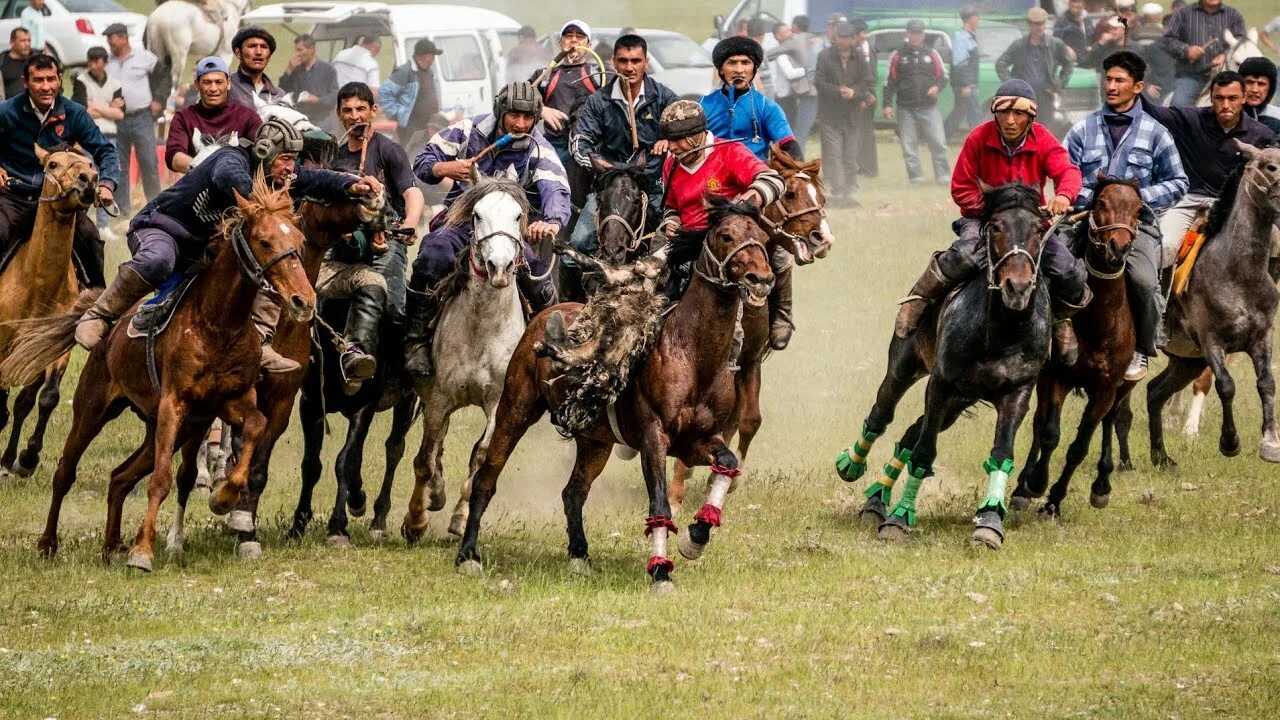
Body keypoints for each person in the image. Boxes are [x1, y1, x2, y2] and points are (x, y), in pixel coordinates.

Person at [73, 118, 384, 373]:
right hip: (161, 228)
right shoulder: (231, 159)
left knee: (266, 263)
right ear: (265, 151)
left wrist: (350, 184)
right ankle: (100, 313)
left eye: (293, 161)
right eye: (286, 159)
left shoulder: (282, 173)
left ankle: (261, 341)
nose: (292, 168)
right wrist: (260, 205)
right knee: (159, 260)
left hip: (201, 249)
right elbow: (226, 178)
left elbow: (315, 179)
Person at [895, 80, 1089, 365]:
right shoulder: (978, 138)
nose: (1010, 121)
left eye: (1019, 114)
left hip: (1029, 223)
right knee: (962, 255)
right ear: (994, 113)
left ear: (1031, 117)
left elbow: (1068, 172)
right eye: (1003, 113)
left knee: (1069, 271)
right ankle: (918, 297)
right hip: (985, 219)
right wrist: (988, 210)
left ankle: (1060, 318)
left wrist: (1063, 195)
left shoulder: (1044, 140)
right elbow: (961, 187)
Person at [404, 82, 570, 378]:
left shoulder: (538, 148)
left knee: (541, 282)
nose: (520, 124)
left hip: (508, 230)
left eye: (528, 118)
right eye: (514, 116)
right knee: (431, 255)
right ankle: (415, 342)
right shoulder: (468, 130)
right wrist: (446, 168)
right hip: (460, 220)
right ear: (501, 111)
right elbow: (422, 161)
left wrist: (552, 220)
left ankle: (553, 360)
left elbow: (555, 188)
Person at [1064, 51, 1188, 380]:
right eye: (1108, 79)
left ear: (1138, 87)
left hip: (1136, 226)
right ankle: (1047, 341)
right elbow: (1066, 175)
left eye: (1120, 80)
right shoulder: (1081, 130)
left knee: (1146, 283)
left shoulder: (1156, 133)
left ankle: (1143, 348)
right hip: (1087, 223)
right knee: (1053, 272)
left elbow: (1179, 181)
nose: (1111, 86)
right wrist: (1091, 199)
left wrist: (1136, 198)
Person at [322, 82, 425, 392]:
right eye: (348, 111)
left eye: (361, 109)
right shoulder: (332, 156)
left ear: (373, 111)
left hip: (387, 238)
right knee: (314, 306)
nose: (355, 116)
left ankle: (398, 371)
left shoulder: (389, 150)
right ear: (339, 115)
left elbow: (412, 191)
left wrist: (409, 222)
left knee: (393, 307)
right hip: (341, 242)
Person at [0, 54, 120, 292]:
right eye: (38, 80)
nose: (46, 87)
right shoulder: (6, 112)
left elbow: (106, 150)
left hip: (60, 202)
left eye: (51, 79)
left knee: (90, 238)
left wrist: (106, 184)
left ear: (59, 80)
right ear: (25, 82)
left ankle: (97, 308)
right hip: (15, 197)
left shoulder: (74, 113)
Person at [1142, 71, 1276, 269]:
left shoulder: (1262, 134)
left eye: (1233, 98)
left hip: (1236, 207)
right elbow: (1152, 111)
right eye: (1219, 98)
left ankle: (1265, 295)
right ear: (1212, 98)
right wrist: (1135, 85)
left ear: (1244, 98)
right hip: (1188, 201)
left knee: (1275, 242)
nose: (1226, 105)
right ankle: (1159, 297)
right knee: (1165, 247)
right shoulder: (1190, 119)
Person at [655, 100, 784, 304]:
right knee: (649, 286)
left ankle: (778, 320)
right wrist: (671, 222)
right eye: (668, 139)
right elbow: (672, 206)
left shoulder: (730, 152)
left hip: (727, 246)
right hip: (687, 244)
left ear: (697, 135)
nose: (671, 146)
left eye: (677, 139)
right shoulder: (671, 163)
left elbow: (774, 180)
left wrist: (747, 201)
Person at [568, 34, 676, 260]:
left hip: (653, 186)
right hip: (608, 187)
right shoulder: (599, 101)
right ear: (613, 63)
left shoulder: (662, 96)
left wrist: (670, 139)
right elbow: (580, 143)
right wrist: (600, 165)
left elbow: (688, 128)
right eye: (623, 61)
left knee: (672, 248)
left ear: (646, 62)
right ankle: (570, 295)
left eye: (635, 61)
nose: (629, 68)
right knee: (578, 244)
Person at [702, 36, 802, 161]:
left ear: (754, 69)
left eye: (745, 63)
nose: (739, 70)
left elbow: (788, 144)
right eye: (732, 63)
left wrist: (800, 170)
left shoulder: (767, 107)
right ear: (721, 70)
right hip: (713, 177)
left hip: (757, 176)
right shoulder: (704, 106)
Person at [165, 57, 263, 174]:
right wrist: (207, 170)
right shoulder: (183, 117)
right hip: (195, 185)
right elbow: (174, 156)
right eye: (207, 82)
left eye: (219, 82)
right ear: (197, 84)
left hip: (239, 185)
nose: (213, 88)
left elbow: (264, 150)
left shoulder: (247, 117)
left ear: (228, 84)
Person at [104, 23, 163, 214]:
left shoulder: (144, 57)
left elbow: (164, 76)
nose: (109, 42)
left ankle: (155, 205)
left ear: (123, 38)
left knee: (148, 161)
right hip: (117, 119)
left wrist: (158, 99)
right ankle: (122, 209)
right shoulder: (108, 62)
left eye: (111, 38)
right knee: (119, 164)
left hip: (141, 117)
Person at [815, 21, 875, 208]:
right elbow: (818, 81)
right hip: (830, 114)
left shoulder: (860, 57)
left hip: (852, 114)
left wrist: (854, 93)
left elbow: (868, 81)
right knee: (833, 155)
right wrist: (837, 91)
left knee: (850, 155)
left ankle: (848, 191)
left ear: (852, 39)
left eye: (845, 38)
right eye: (839, 37)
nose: (841, 41)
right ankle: (838, 192)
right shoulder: (825, 56)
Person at [884, 19, 951, 185]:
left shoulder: (932, 54)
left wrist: (937, 87)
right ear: (908, 34)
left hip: (929, 106)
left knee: (938, 142)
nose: (916, 36)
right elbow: (889, 82)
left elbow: (943, 76)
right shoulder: (898, 55)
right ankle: (916, 177)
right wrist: (887, 104)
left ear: (923, 35)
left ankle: (943, 176)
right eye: (913, 33)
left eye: (919, 33)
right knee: (909, 145)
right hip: (905, 108)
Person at [533, 20, 602, 169]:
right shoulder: (545, 75)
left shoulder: (600, 73)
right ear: (560, 43)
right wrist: (541, 109)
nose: (574, 40)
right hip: (556, 147)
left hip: (593, 146)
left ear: (589, 45)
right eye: (569, 35)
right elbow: (512, 100)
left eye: (580, 36)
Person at [71, 47, 125, 241]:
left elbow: (120, 113)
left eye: (97, 60)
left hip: (110, 134)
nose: (93, 64)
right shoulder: (80, 81)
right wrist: (109, 108)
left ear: (105, 62)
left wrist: (96, 108)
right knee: (87, 177)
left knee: (106, 178)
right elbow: (83, 111)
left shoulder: (115, 83)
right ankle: (81, 220)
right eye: (90, 60)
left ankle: (103, 224)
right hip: (88, 135)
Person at [997, 9, 1074, 129]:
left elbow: (1068, 64)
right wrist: (1012, 86)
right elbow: (1001, 64)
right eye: (1037, 24)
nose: (1040, 27)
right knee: (1023, 129)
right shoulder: (1019, 45)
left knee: (1044, 130)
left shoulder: (1055, 44)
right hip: (1023, 96)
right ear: (1029, 25)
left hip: (1045, 96)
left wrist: (1058, 83)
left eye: (1042, 24)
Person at [1160, 0, 1246, 107]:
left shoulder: (1233, 15)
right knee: (1179, 106)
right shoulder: (1183, 14)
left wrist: (1225, 55)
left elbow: (1242, 42)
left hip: (1227, 77)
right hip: (1191, 75)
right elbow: (1167, 40)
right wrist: (1187, 50)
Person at [379, 38, 443, 146]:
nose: (433, 59)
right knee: (410, 154)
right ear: (426, 56)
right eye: (433, 56)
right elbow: (384, 93)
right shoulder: (405, 71)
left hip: (428, 125)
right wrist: (397, 113)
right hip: (411, 127)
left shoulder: (428, 71)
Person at [769, 20, 816, 146]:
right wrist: (806, 70)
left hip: (788, 97)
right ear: (778, 36)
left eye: (790, 30)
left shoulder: (787, 51)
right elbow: (790, 74)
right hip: (784, 98)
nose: (790, 34)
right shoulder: (782, 55)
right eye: (786, 32)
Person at [279, 34, 339, 132]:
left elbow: (334, 96)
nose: (297, 54)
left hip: (321, 122)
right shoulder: (295, 70)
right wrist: (289, 70)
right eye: (296, 50)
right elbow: (282, 91)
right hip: (299, 121)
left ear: (311, 49)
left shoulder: (328, 70)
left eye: (300, 50)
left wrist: (318, 100)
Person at [946, 6, 982, 139]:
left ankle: (942, 137)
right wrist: (966, 85)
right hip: (965, 85)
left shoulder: (970, 37)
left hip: (968, 84)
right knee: (974, 113)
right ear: (971, 19)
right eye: (977, 18)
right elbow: (960, 63)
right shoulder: (962, 38)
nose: (978, 21)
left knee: (959, 112)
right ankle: (978, 142)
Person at [229, 27, 287, 107]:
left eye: (263, 47)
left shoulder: (279, 95)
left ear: (269, 55)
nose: (259, 52)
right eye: (252, 46)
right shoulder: (226, 87)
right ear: (238, 53)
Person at [1131, 3, 1177, 103]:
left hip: (1173, 90)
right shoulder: (1158, 41)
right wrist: (1147, 85)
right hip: (1159, 90)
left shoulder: (1135, 34)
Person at [1239, 57, 1280, 134]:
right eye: (1249, 82)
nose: (1255, 90)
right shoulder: (1226, 113)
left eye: (1261, 84)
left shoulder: (1277, 116)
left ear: (1270, 88)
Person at [0, 28, 31, 99]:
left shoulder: (35, 60)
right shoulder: (2, 61)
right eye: (23, 41)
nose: (27, 44)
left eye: (29, 40)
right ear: (12, 42)